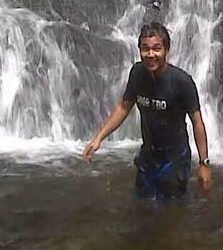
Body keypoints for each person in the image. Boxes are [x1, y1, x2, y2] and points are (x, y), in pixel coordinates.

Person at [82, 21, 213, 199]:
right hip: (148, 154)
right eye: (145, 49)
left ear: (166, 50)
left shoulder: (182, 82)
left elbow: (197, 122)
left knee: (172, 213)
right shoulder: (137, 74)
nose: (150, 54)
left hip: (175, 158)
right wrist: (98, 138)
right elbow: (124, 106)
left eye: (156, 48)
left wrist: (204, 164)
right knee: (142, 206)